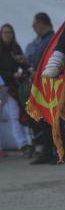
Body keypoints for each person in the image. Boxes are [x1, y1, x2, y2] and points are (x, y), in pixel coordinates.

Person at [27, 13, 65, 165]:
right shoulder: (44, 41)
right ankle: (48, 152)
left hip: (49, 84)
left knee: (53, 120)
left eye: (35, 23)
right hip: (43, 83)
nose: (33, 26)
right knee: (44, 121)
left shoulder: (52, 40)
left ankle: (57, 153)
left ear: (42, 23)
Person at [0, 23, 32, 155]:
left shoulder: (16, 47)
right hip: (1, 86)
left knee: (15, 114)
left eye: (10, 32)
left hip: (12, 87)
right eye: (5, 32)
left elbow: (23, 65)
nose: (7, 35)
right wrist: (11, 74)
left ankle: (22, 144)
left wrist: (25, 69)